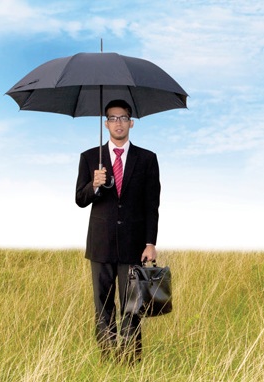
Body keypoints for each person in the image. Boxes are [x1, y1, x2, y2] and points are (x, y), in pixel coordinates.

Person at [75, 99, 160, 363]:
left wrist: (150, 242)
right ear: (106, 123)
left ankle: (131, 360)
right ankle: (107, 357)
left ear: (131, 123)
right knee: (103, 305)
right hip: (100, 245)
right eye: (112, 118)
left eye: (123, 117)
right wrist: (95, 185)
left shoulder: (147, 159)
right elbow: (80, 198)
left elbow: (151, 205)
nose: (118, 123)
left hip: (134, 245)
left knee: (132, 305)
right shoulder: (90, 157)